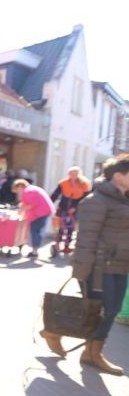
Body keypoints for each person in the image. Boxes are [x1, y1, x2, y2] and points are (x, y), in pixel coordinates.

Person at [62, 154, 129, 375]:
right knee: (99, 311)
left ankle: (90, 352)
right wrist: (82, 272)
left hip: (120, 264)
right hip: (100, 266)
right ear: (118, 176)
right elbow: (86, 238)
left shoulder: (124, 199)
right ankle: (91, 353)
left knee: (112, 310)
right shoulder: (96, 201)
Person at [50, 166, 91, 253]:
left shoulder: (84, 184)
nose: (73, 175)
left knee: (70, 227)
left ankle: (67, 245)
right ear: (68, 174)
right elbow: (55, 194)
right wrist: (49, 203)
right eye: (71, 174)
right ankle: (58, 243)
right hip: (63, 207)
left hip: (76, 208)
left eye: (75, 174)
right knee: (61, 226)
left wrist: (75, 207)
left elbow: (86, 198)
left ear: (79, 174)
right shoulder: (63, 183)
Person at [11, 178, 54, 257]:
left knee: (35, 231)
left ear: (20, 186)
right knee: (37, 231)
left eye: (17, 190)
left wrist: (22, 210)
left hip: (39, 213)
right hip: (43, 212)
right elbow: (28, 203)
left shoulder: (28, 191)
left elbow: (33, 204)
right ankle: (35, 249)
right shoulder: (32, 189)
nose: (18, 193)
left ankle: (35, 251)